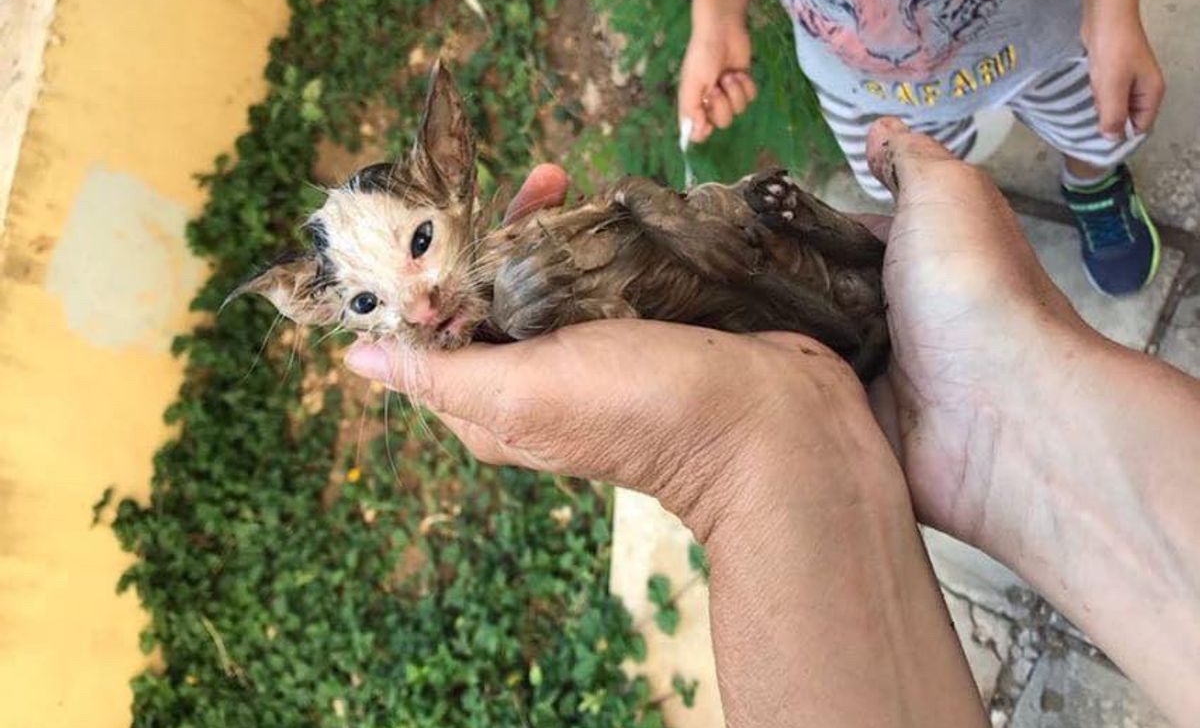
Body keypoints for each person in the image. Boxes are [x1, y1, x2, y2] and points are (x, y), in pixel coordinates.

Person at [343, 120, 1200, 727]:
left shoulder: (523, 265)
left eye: (420, 241)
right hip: (777, 319)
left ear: (451, 182)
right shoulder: (506, 299)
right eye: (369, 302)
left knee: (788, 252)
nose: (418, 302)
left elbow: (635, 207)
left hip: (773, 278)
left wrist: (734, 452)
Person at [678, 0, 1166, 297]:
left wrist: (1113, 12)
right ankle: (956, 233)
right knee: (904, 182)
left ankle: (1093, 186)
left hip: (1052, 28)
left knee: (1098, 126)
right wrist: (715, 19)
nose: (895, 42)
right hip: (864, 83)